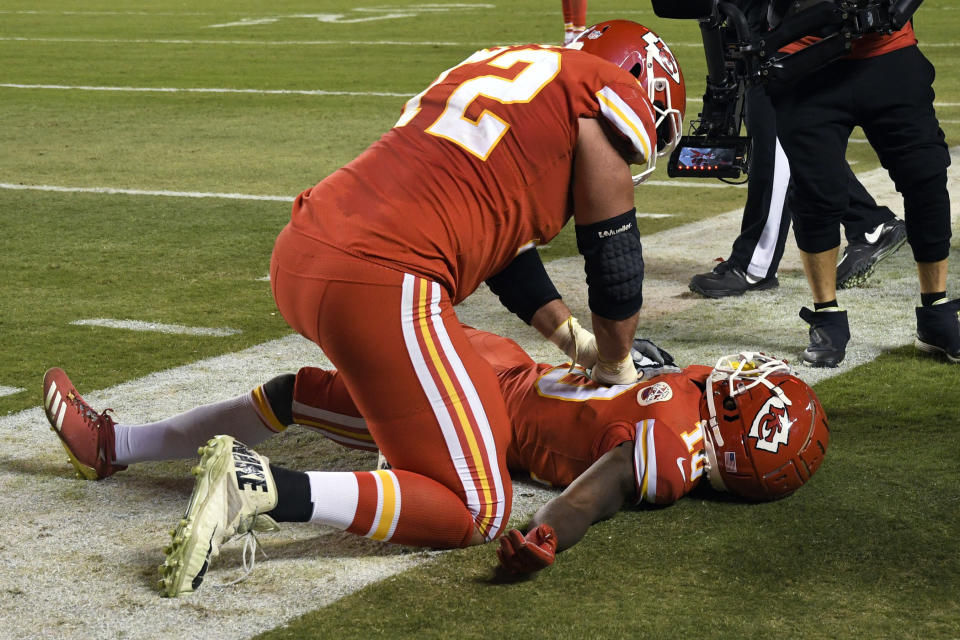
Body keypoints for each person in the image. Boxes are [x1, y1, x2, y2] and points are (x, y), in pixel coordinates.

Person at [161, 19, 686, 593]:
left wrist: (570, 338)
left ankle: (123, 444)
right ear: (637, 81)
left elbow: (501, 245)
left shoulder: (507, 67)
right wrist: (614, 360)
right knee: (479, 505)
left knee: (458, 411)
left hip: (303, 250)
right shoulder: (602, 98)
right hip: (380, 277)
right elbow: (616, 271)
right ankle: (262, 487)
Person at [42, 328, 829, 587]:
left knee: (300, 390)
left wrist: (549, 532)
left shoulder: (673, 449)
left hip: (486, 408)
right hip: (511, 367)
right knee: (389, 318)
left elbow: (600, 487)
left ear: (732, 426)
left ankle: (115, 447)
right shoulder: (691, 404)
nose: (743, 377)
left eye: (750, 390)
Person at [768, 7, 958, 366]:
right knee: (817, 191)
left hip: (888, 52)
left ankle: (937, 312)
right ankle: (826, 315)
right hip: (805, 60)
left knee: (926, 175)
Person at [687, 0, 907, 299]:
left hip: (792, 25)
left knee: (776, 133)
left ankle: (754, 264)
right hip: (772, 24)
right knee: (797, 139)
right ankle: (870, 223)